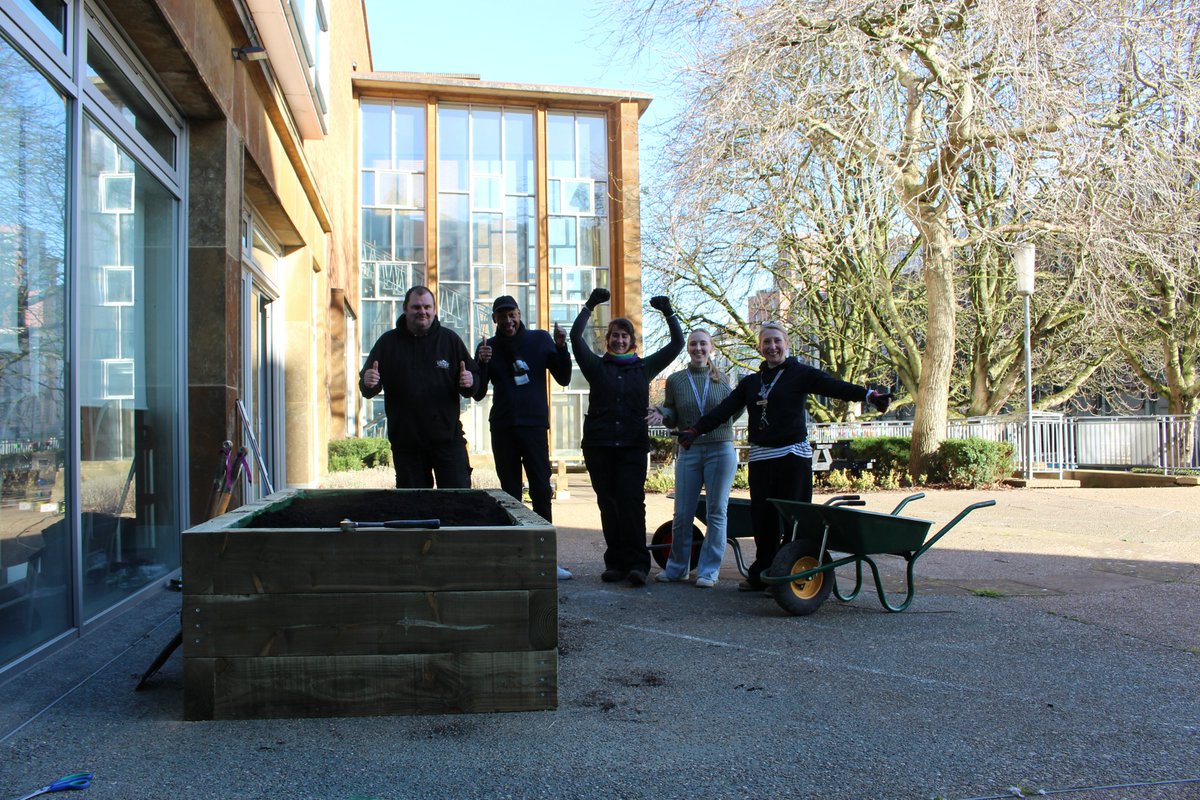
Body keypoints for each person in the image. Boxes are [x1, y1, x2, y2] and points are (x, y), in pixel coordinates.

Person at [678, 322, 892, 592]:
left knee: (793, 520)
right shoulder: (752, 382)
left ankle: (789, 573)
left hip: (792, 456)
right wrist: (695, 430)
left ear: (786, 344)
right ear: (759, 347)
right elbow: (724, 410)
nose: (772, 346)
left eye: (777, 341)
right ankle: (763, 572)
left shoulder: (799, 374)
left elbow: (833, 386)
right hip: (761, 457)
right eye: (766, 342)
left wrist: (869, 395)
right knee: (763, 519)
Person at [571, 288, 684, 586]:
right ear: (607, 341)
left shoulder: (644, 367)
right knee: (608, 503)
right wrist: (591, 305)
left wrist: (668, 312)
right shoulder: (597, 367)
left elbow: (677, 344)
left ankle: (637, 565)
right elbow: (574, 338)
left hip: (632, 446)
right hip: (599, 445)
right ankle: (616, 563)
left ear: (632, 342)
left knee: (631, 503)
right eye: (614, 336)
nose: (619, 340)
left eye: (625, 336)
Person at [473, 295, 574, 580]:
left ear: (519, 314)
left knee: (541, 490)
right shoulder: (487, 347)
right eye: (501, 316)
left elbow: (564, 378)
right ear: (494, 319)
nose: (507, 321)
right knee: (510, 493)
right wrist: (480, 364)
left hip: (533, 426)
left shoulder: (540, 340)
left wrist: (561, 347)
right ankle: (514, 558)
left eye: (512, 314)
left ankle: (546, 560)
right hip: (503, 428)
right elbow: (478, 393)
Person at [359, 286, 478, 489]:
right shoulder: (388, 343)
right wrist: (368, 382)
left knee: (458, 502)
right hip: (407, 445)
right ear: (405, 309)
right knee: (413, 509)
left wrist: (470, 381)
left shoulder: (450, 341)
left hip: (447, 440)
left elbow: (471, 384)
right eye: (416, 307)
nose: (422, 311)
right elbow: (368, 387)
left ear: (434, 309)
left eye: (427, 307)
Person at [646, 329, 737, 588]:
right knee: (682, 513)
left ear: (711, 349)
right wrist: (662, 413)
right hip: (689, 449)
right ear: (688, 348)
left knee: (717, 512)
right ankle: (677, 568)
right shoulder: (676, 380)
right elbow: (672, 412)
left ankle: (709, 571)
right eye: (694, 344)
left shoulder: (723, 378)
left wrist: (724, 427)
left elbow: (736, 407)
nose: (698, 348)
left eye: (703, 344)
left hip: (720, 449)